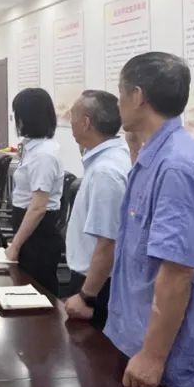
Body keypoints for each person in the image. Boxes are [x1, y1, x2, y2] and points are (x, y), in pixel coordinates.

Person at [105, 52, 194, 387]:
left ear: (137, 96)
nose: (118, 103)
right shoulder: (153, 156)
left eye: (121, 93)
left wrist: (153, 356)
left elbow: (178, 271)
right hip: (137, 339)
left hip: (168, 359)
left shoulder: (175, 166)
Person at [63, 90, 129, 330]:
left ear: (86, 122)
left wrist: (86, 296)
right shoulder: (108, 159)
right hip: (96, 280)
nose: (69, 120)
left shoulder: (105, 172)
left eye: (72, 115)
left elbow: (108, 242)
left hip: (96, 285)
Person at [4, 88, 65, 295]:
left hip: (39, 233)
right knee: (24, 290)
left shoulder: (43, 155)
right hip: (27, 226)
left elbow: (38, 207)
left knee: (38, 293)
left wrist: (15, 245)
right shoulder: (32, 148)